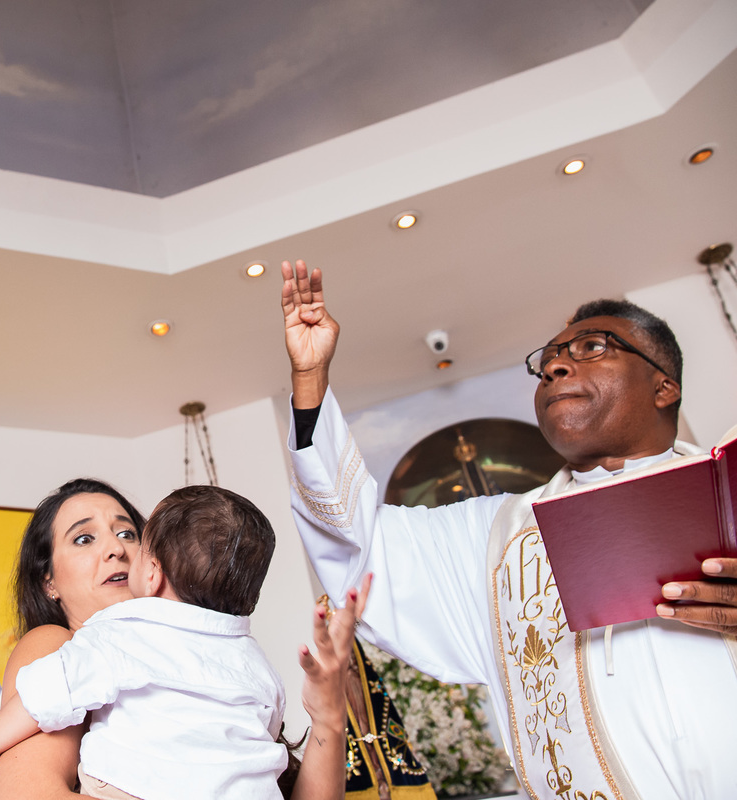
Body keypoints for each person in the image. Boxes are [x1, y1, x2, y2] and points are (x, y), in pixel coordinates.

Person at [279, 259, 737, 800]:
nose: (555, 368)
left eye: (591, 348)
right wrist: (310, 383)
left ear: (664, 387)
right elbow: (358, 545)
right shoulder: (495, 540)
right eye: (546, 363)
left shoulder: (726, 494)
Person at [0, 479, 364, 800]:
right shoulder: (56, 645)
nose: (116, 548)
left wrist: (329, 718)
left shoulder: (228, 660)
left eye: (128, 533)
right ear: (47, 580)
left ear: (155, 562)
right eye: (84, 538)